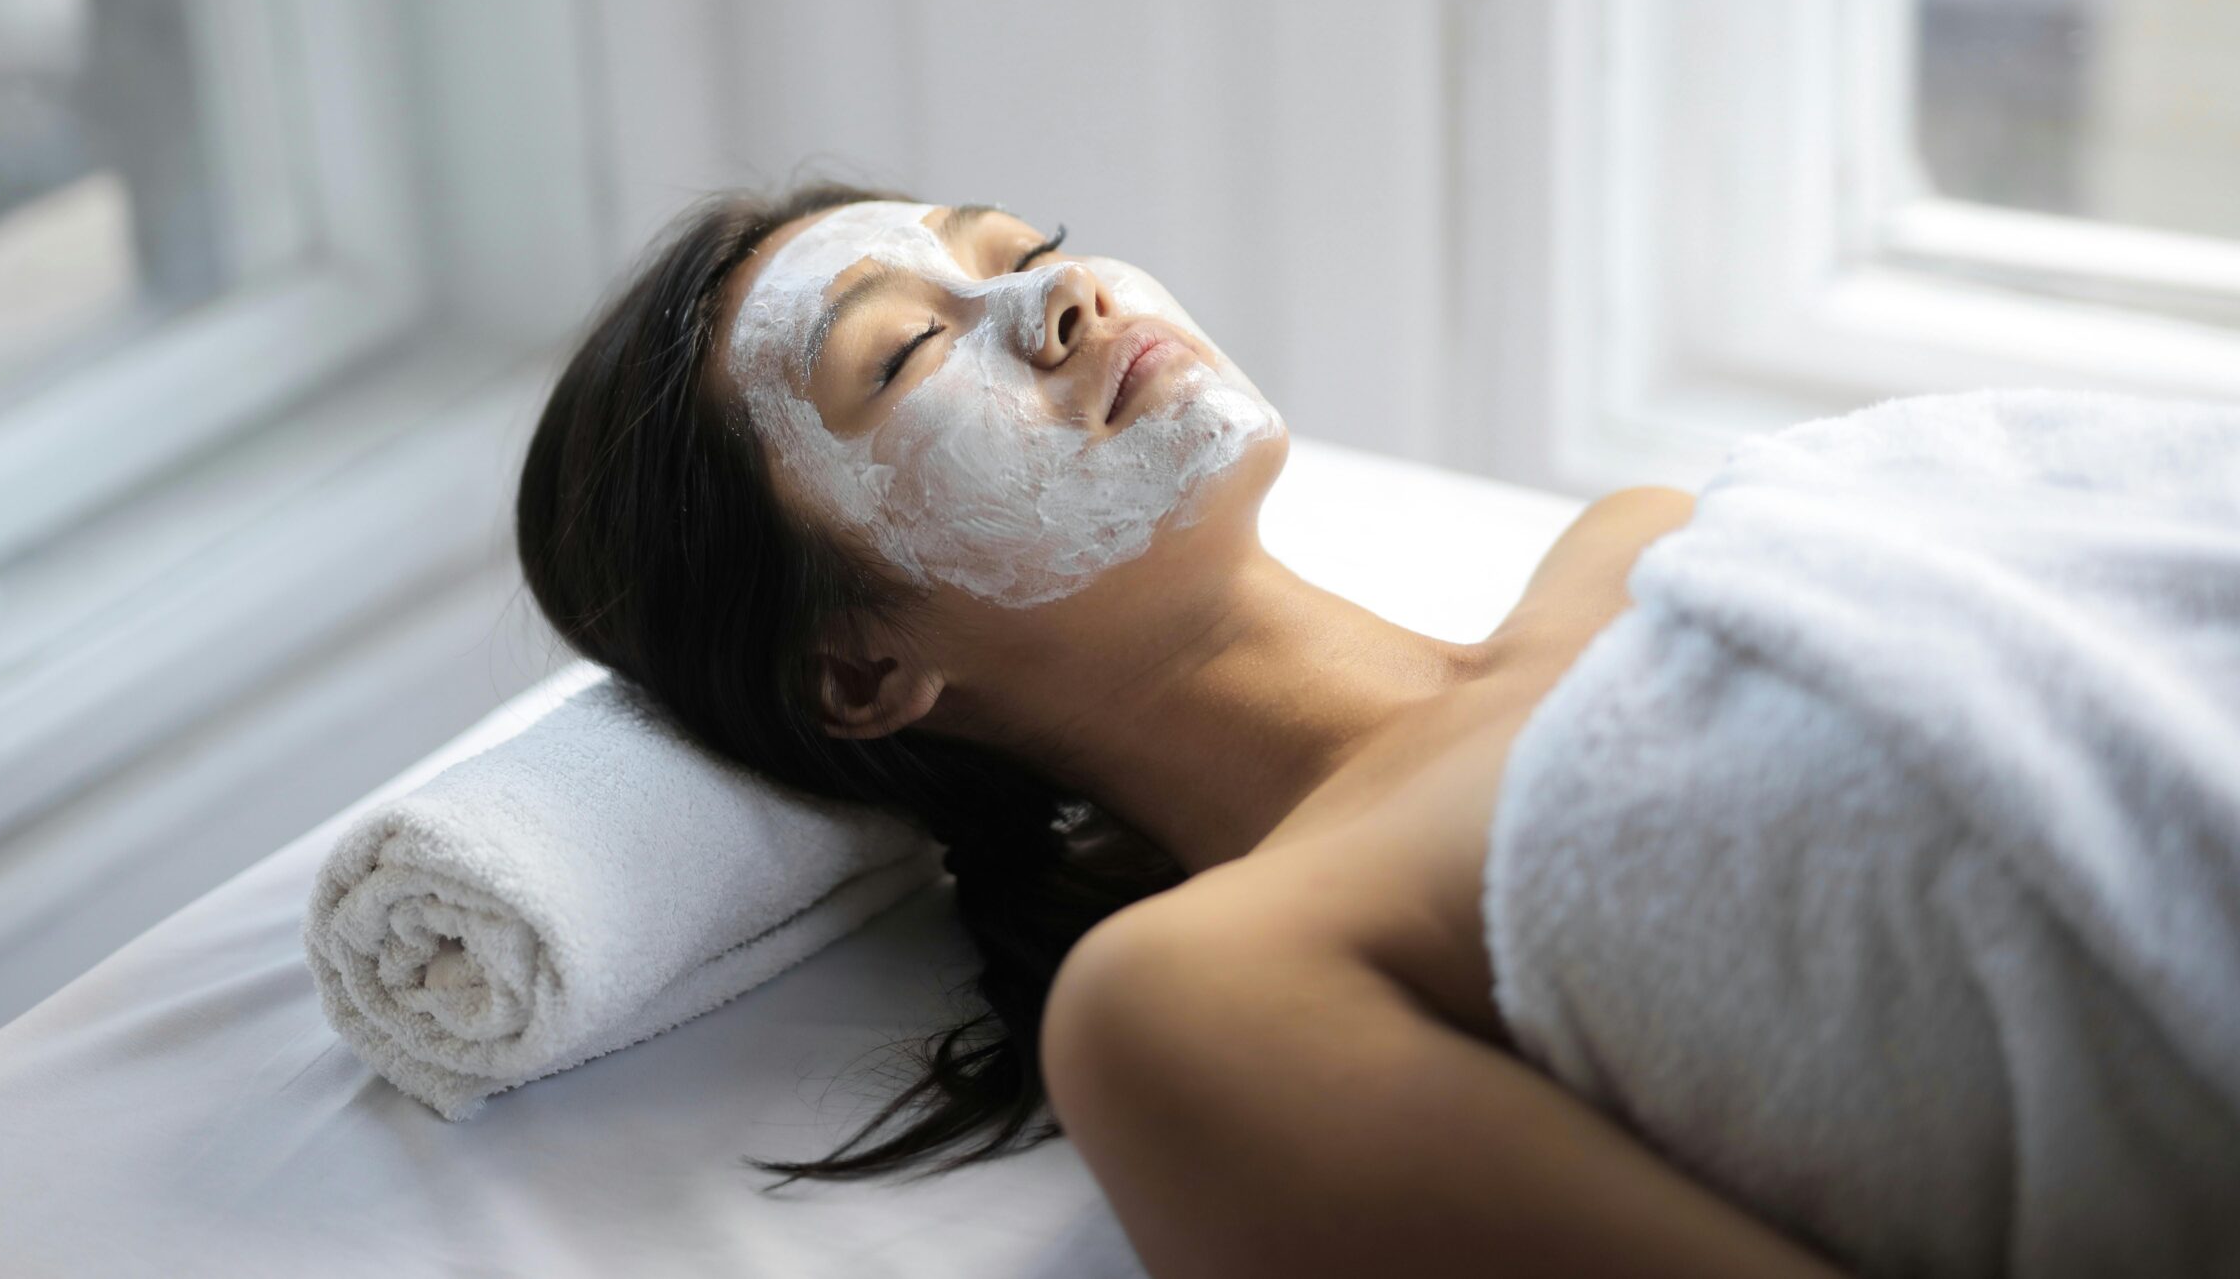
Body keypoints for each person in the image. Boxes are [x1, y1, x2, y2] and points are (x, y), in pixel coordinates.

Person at [514, 182, 1850, 1277]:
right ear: (863, 674)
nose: (1060, 294)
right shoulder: (1196, 1002)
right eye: (910, 350)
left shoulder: (1651, 536)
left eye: (1024, 248)